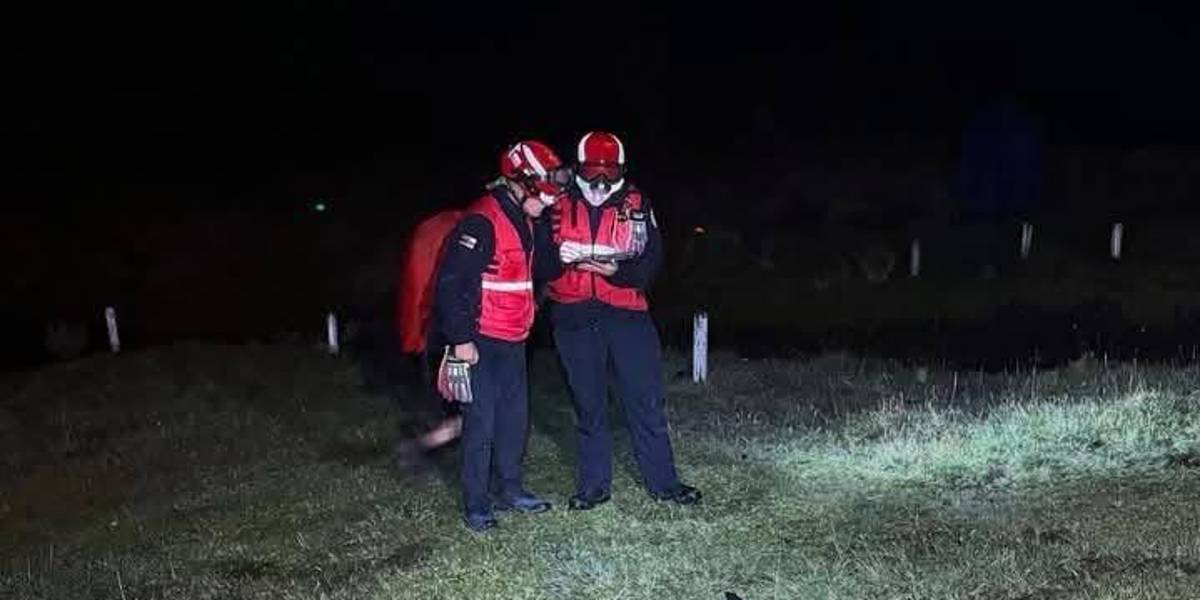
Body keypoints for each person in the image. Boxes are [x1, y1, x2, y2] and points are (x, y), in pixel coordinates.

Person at [537, 131, 701, 510]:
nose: (600, 183)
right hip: (574, 315)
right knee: (588, 403)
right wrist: (560, 256)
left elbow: (650, 264)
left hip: (627, 313)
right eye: (593, 173)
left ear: (621, 170)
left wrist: (616, 271)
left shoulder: (638, 202)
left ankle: (664, 484)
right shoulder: (555, 203)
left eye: (609, 174)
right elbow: (540, 264)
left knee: (645, 401)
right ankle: (594, 487)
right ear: (577, 168)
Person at [434, 139, 566, 532]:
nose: (548, 202)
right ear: (518, 182)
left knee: (514, 419)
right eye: (542, 195)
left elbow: (548, 269)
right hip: (480, 340)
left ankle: (510, 489)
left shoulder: (527, 217)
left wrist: (541, 222)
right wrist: (460, 339)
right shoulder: (481, 220)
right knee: (481, 424)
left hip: (513, 338)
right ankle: (476, 504)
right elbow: (452, 283)